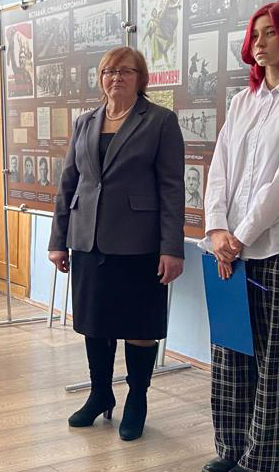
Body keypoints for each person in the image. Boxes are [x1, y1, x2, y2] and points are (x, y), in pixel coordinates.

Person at [200, 0, 279, 472]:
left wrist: (241, 234)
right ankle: (231, 447)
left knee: (273, 358)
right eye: (256, 33)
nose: (260, 42)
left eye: (271, 32)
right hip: (231, 247)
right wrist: (217, 230)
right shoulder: (243, 101)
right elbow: (220, 168)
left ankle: (264, 459)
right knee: (230, 349)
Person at [48, 46, 184, 441]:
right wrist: (58, 240)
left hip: (139, 241)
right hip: (87, 238)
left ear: (141, 79)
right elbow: (68, 182)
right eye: (109, 71)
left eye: (125, 71)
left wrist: (171, 247)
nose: (116, 78)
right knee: (95, 322)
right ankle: (99, 394)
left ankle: (137, 398)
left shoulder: (160, 121)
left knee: (139, 323)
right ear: (101, 78)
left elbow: (172, 189)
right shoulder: (86, 121)